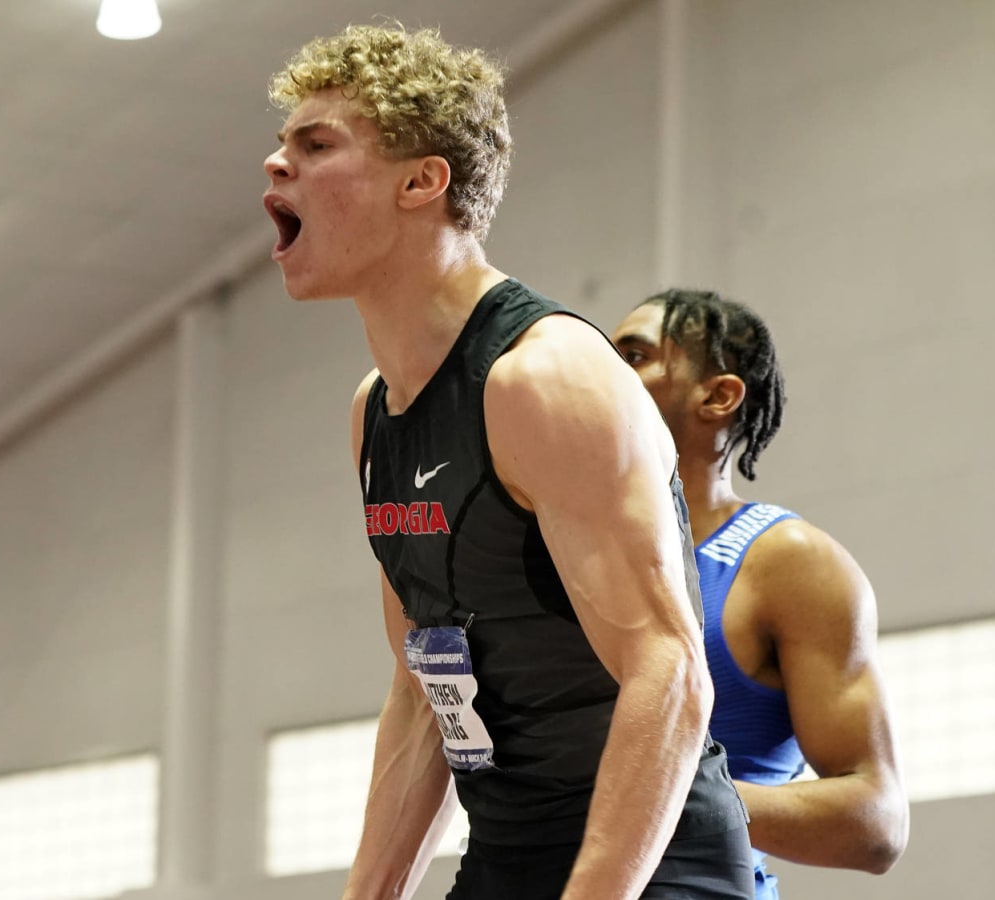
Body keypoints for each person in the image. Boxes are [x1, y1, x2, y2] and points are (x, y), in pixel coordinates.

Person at [263, 24, 753, 900]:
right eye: (282, 144)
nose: (276, 165)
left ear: (423, 181)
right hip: (506, 854)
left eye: (315, 144)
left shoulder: (544, 378)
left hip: (654, 863)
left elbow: (671, 674)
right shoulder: (373, 412)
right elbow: (424, 696)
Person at [611, 289, 910, 897]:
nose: (600, 372)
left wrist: (673, 796)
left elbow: (878, 821)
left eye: (633, 356)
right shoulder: (552, 553)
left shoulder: (787, 562)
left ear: (716, 397)